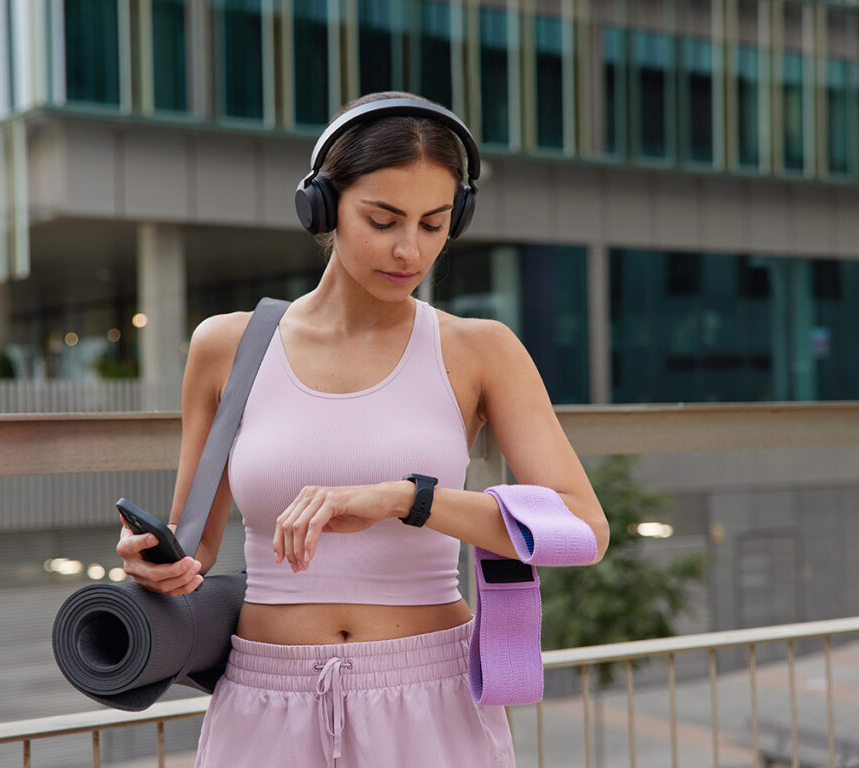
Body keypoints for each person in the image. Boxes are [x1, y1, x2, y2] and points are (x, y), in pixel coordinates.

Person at [117, 91, 609, 768]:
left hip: (431, 701)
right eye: (382, 220)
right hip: (264, 699)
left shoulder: (479, 349)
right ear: (322, 207)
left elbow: (582, 529)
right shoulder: (226, 346)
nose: (410, 250)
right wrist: (155, 560)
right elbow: (194, 542)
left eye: (434, 224)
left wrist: (408, 498)